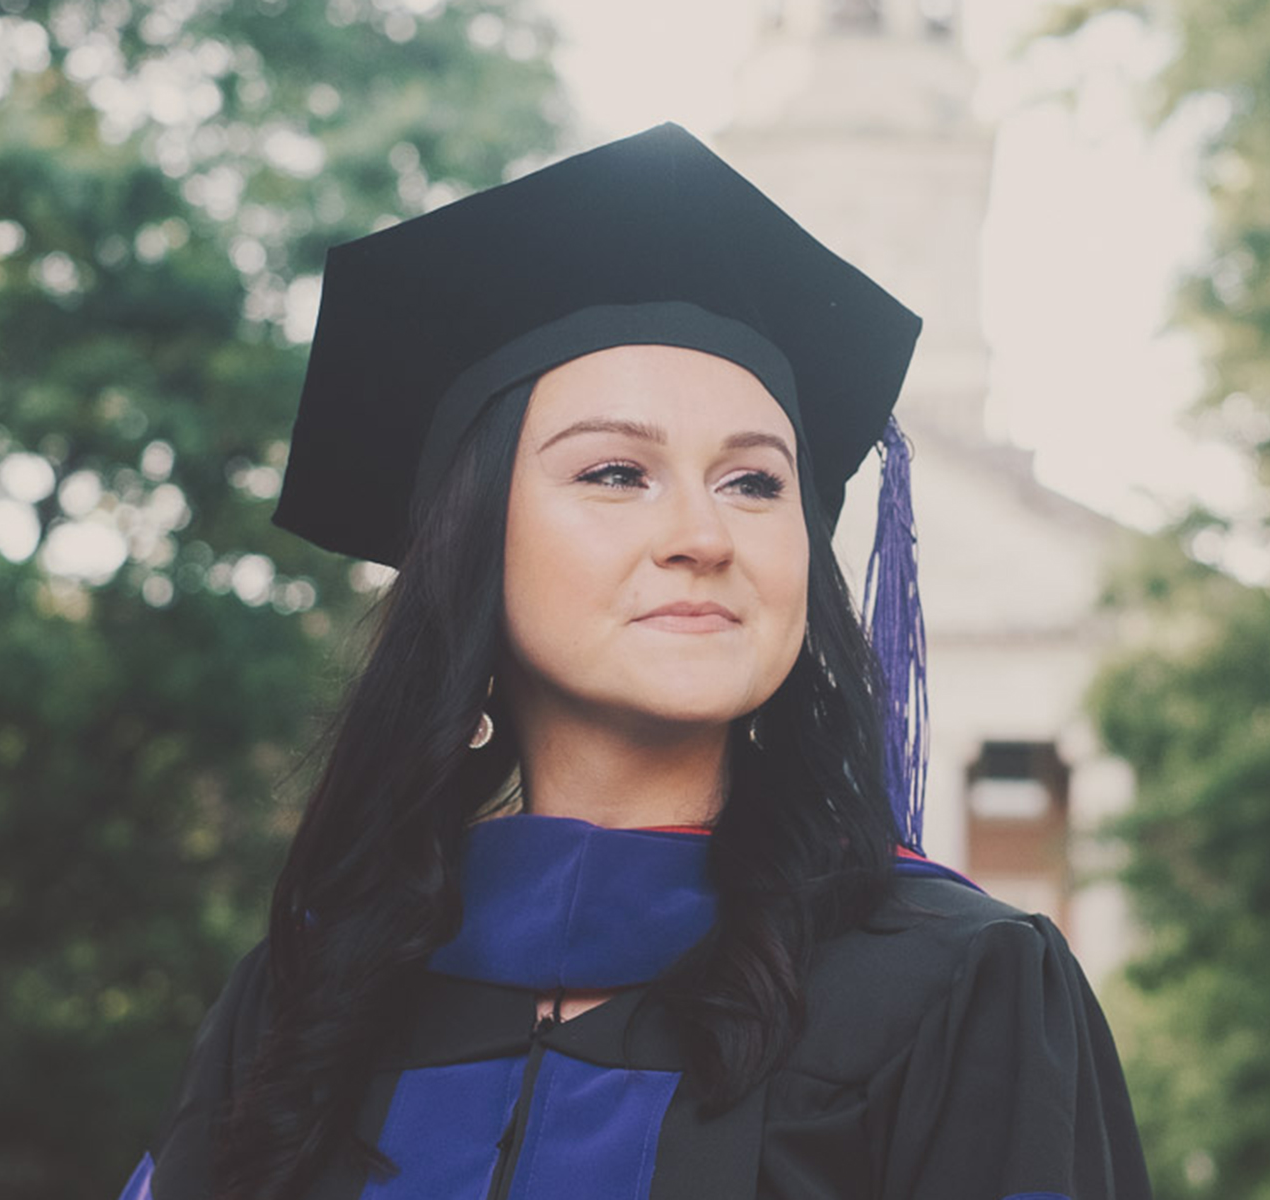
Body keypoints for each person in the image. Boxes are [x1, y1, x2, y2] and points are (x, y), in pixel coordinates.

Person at [112, 122, 1152, 1200]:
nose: (704, 534)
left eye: (755, 483)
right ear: (474, 549)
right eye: (616, 472)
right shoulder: (308, 998)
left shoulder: (957, 989)